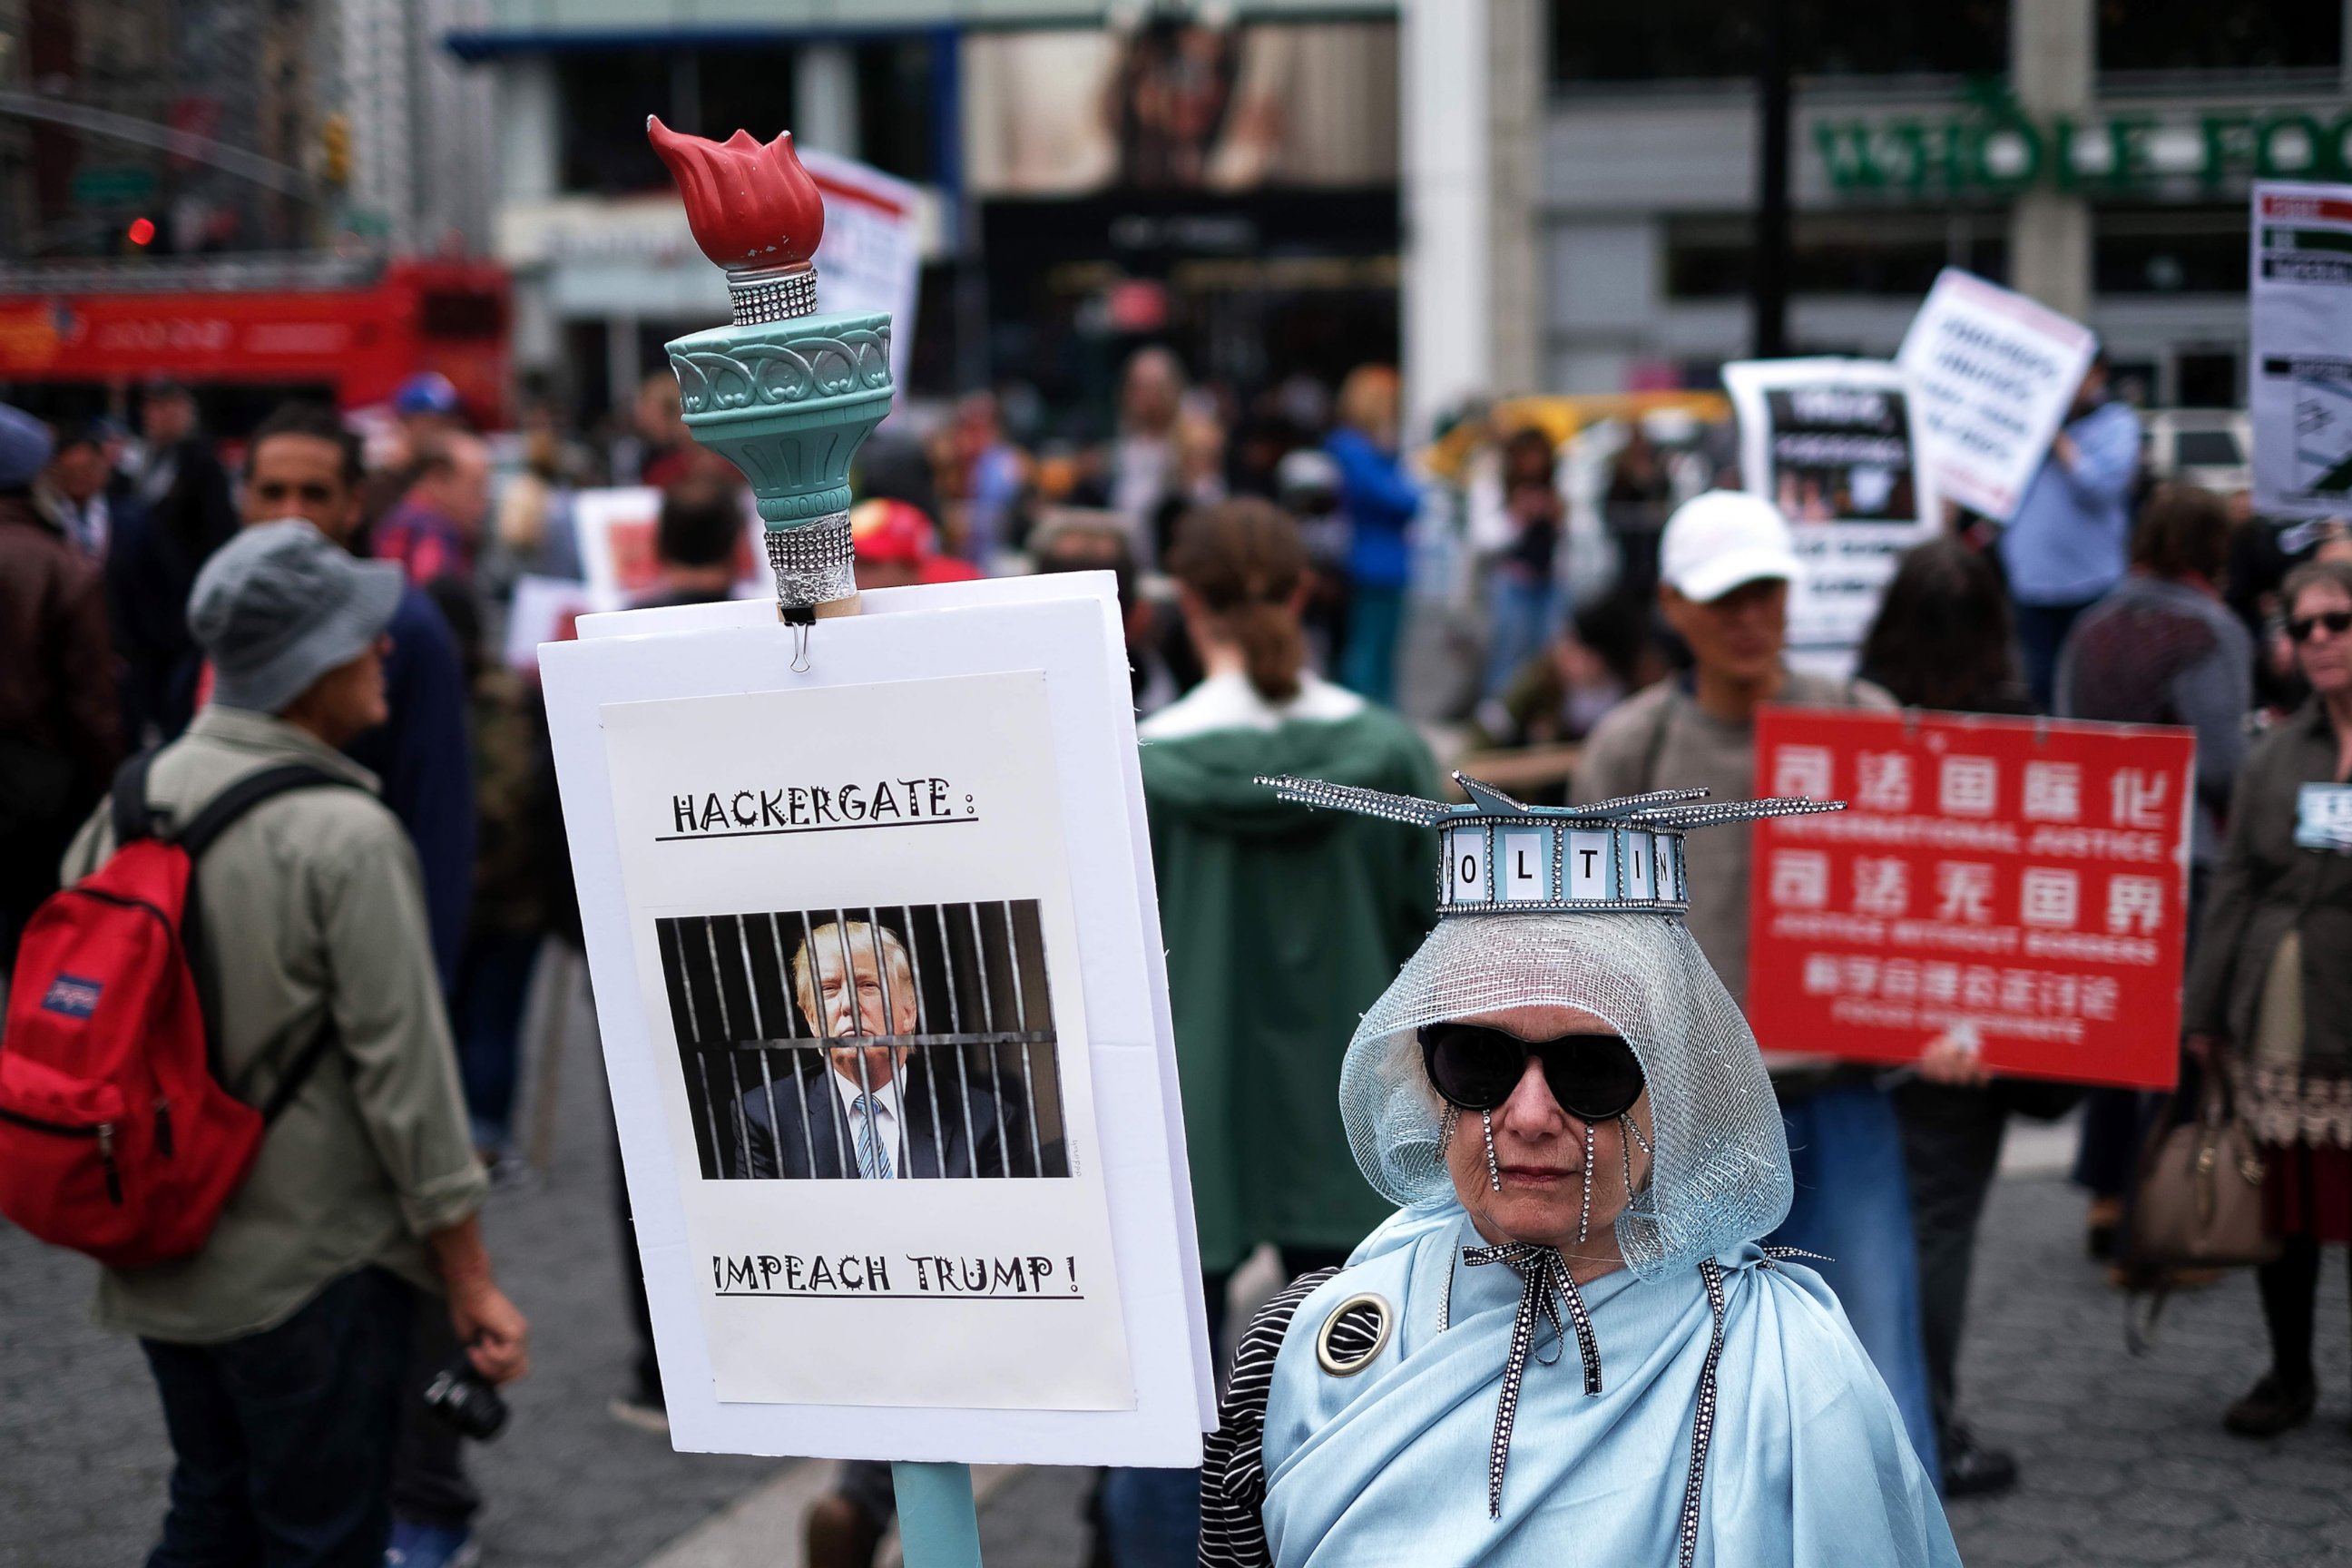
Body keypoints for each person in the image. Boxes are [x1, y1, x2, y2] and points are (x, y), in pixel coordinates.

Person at [1203, 772, 1959, 1566]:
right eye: (1478, 1061)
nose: (1529, 1117)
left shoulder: (1800, 1379)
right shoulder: (1294, 1345)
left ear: (1676, 1093)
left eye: (1596, 1069)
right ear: (1425, 1079)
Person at [59, 521, 527, 1567]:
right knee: (322, 1536)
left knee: (210, 1511)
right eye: (362, 634)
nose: (385, 649)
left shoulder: (129, 805)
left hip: (164, 1246)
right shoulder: (345, 834)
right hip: (311, 1267)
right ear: (310, 666)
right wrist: (470, 1276)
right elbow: (409, 1087)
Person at [1572, 489, 1939, 1478]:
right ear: (1673, 605)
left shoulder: (1863, 723)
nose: (1749, 616)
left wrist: (1952, 1014)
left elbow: (1937, 898)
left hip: (1845, 1099)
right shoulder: (1630, 748)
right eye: (1724, 595)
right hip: (1689, 1119)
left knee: (1874, 1370)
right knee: (1687, 1377)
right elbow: (1587, 949)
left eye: (1766, 591)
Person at [1112, 497, 1438, 1566]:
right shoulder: (1387, 751)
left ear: (1181, 603)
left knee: (1166, 1406)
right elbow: (1434, 945)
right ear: (1304, 593)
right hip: (1355, 1118)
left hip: (1179, 1118)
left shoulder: (1132, 768)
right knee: (1357, 1385)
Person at [1854, 537, 2050, 1500]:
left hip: (1849, 1026)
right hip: (1973, 1037)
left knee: (1850, 1227)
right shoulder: (2019, 736)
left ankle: (1851, 1415)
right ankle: (1924, 1424)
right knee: (1937, 1230)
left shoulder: (1848, 724)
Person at [2055, 485, 2252, 1264]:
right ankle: (2161, 1212)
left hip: (2101, 852)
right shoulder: (2208, 628)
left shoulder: (2089, 624)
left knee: (2115, 1030)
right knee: (2182, 1033)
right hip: (2185, 856)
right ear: (2211, 551)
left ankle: (2104, 1195)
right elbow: (2227, 764)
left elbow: (2067, 737)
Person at [2182, 556, 2352, 1438]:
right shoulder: (2275, 756)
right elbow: (2237, 887)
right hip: (2281, 1009)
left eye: (2339, 621)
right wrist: (2205, 1014)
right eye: (2304, 624)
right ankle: (2291, 1375)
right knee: (2285, 1210)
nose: (2319, 639)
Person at [240, 403, 475, 992]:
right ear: (244, 500)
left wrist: (419, 997)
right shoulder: (221, 621)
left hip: (352, 967)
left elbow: (438, 824)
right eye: (272, 492)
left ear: (352, 504)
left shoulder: (405, 630)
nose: (289, 515)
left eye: (313, 494)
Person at [734, 919, 1029, 1181]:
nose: (848, 1004)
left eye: (867, 985)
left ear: (908, 1012)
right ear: (812, 1020)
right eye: (829, 989)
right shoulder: (766, 1117)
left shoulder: (986, 1120)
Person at [0, 406, 122, 973]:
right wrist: (108, 791)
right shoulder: (63, 565)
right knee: (36, 942)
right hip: (39, 787)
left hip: (33, 780)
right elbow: (92, 704)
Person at [1996, 352, 2142, 708]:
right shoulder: (2023, 424)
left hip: (2091, 583)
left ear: (2098, 375)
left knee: (2093, 688)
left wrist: (2058, 440)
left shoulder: (2118, 425)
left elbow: (2101, 487)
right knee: (2039, 688)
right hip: (2031, 583)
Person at [110, 381, 238, 746]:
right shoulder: (134, 461)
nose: (160, 417)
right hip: (136, 609)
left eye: (169, 408)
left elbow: (217, 533)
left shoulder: (201, 463)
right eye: (153, 408)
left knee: (176, 698)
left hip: (182, 607)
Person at [1326, 366, 1419, 705]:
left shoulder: (1373, 451)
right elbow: (1400, 498)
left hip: (1387, 563)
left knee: (1383, 657)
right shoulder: (1353, 449)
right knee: (1367, 657)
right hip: (1370, 563)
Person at [1475, 426, 1566, 701]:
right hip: (1512, 581)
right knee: (1508, 655)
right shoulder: (1495, 486)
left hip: (1549, 580)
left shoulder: (1557, 487)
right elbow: (1484, 539)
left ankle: (1534, 716)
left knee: (1547, 656)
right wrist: (1518, 518)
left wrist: (1559, 515)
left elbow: (1574, 538)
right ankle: (1498, 718)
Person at [374, 433, 492, 589]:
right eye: (475, 488)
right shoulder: (431, 534)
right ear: (438, 477)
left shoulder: (403, 517)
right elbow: (436, 598)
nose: (482, 503)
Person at [1109, 347, 1188, 566]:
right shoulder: (1124, 444)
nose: (1140, 395)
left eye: (1152, 387)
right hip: (1129, 564)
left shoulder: (1191, 444)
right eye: (1135, 386)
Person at [33, 422, 115, 561]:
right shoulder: (44, 521)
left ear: (103, 467)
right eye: (71, 471)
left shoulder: (129, 519)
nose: (80, 477)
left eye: (87, 469)